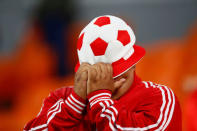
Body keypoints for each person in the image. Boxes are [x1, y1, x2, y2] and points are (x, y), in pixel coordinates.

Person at [24, 15, 182, 131]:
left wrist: (100, 99)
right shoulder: (62, 99)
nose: (106, 78)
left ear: (133, 63)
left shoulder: (159, 97)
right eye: (98, 73)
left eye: (116, 71)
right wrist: (74, 105)